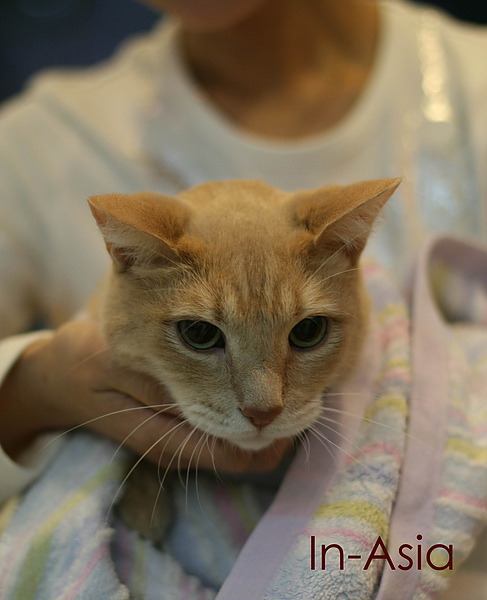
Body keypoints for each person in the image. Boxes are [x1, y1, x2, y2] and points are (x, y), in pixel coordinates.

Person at [0, 0, 486, 596]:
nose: (264, 403)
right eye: (201, 333)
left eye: (307, 332)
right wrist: (31, 390)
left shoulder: (473, 84)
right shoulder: (38, 143)